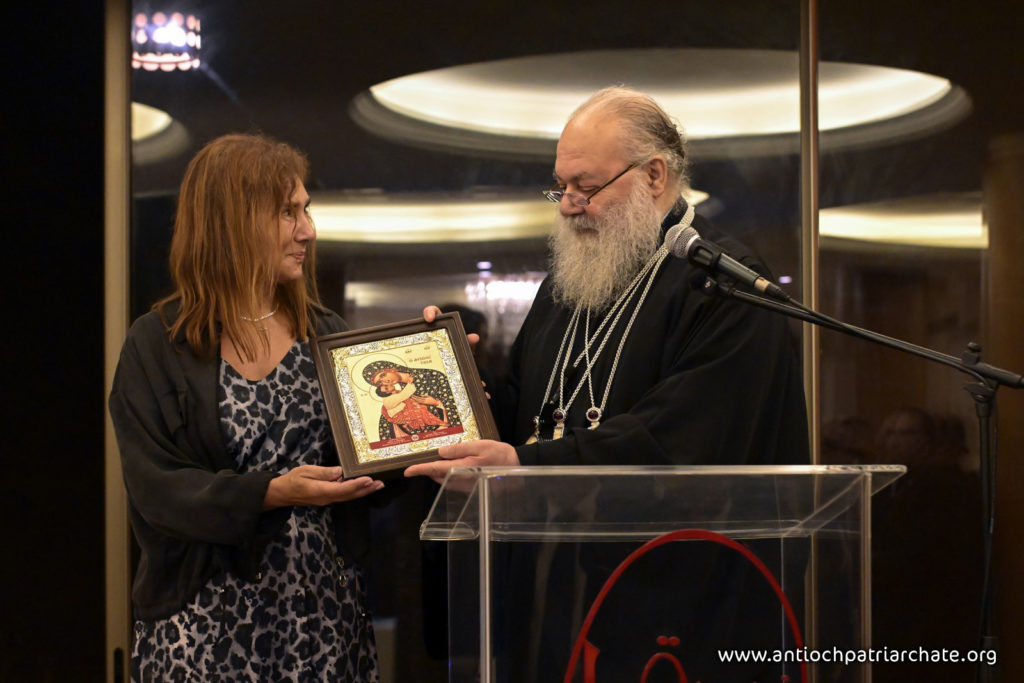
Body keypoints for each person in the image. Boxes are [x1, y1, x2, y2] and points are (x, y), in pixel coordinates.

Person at [408, 87, 809, 681]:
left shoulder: (724, 287)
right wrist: (460, 386)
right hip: (554, 594)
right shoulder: (567, 286)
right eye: (560, 187)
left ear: (654, 175)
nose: (569, 206)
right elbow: (529, 413)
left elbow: (679, 438)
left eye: (586, 187)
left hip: (682, 602)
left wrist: (525, 465)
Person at [109, 133, 386, 681]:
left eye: (306, 209)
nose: (307, 230)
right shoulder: (158, 344)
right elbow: (157, 490)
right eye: (287, 212)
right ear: (231, 221)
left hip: (321, 620)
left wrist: (442, 387)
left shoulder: (325, 333)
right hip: (199, 628)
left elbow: (375, 464)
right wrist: (272, 492)